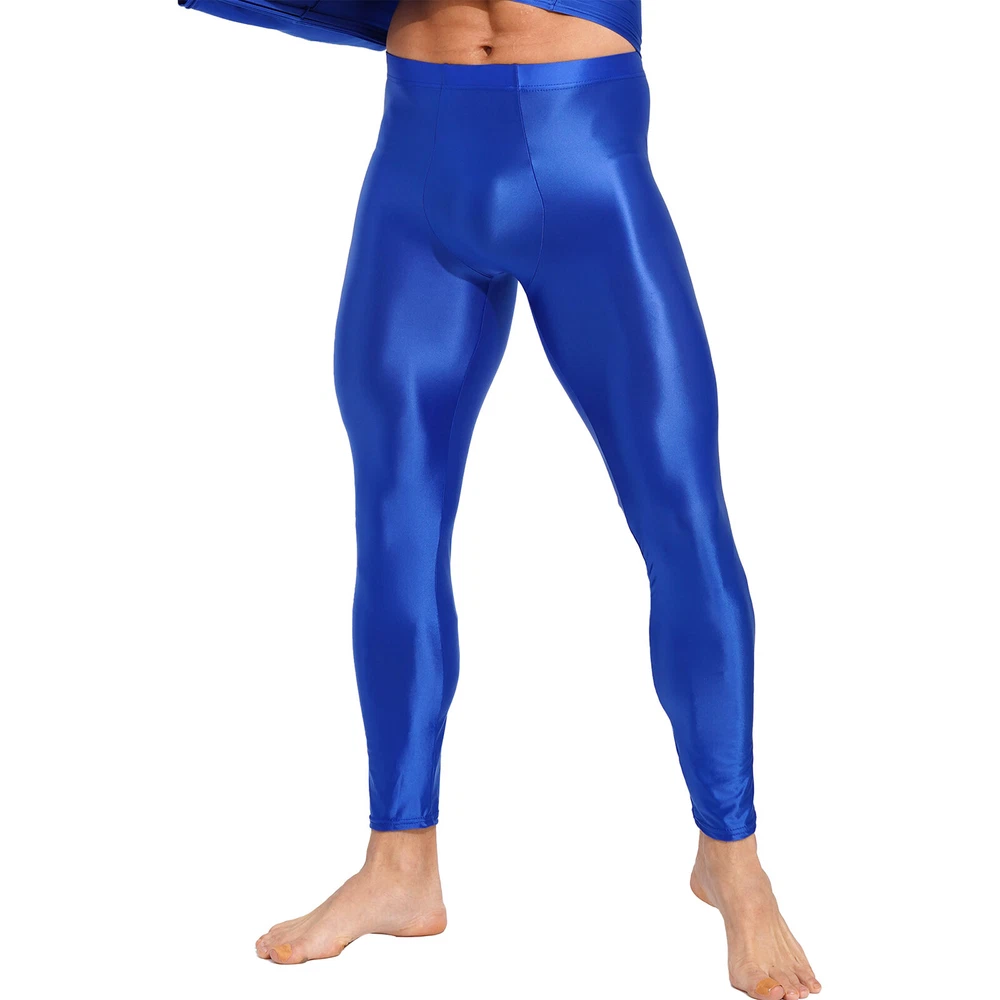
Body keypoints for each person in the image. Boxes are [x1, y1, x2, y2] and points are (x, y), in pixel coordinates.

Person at [179, 2, 821, 997]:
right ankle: (400, 864)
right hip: (415, 167)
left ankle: (733, 863)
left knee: (682, 520)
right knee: (396, 526)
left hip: (584, 153)